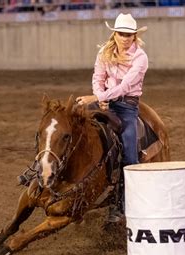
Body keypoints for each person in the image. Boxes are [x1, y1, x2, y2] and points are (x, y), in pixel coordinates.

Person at [76, 13, 148, 222]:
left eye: (129, 35)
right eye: (122, 34)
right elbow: (98, 78)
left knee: (130, 156)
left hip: (127, 106)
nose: (126, 38)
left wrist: (99, 97)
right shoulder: (104, 53)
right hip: (106, 101)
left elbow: (126, 86)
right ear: (114, 34)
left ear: (134, 37)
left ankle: (122, 204)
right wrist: (100, 98)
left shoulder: (140, 58)